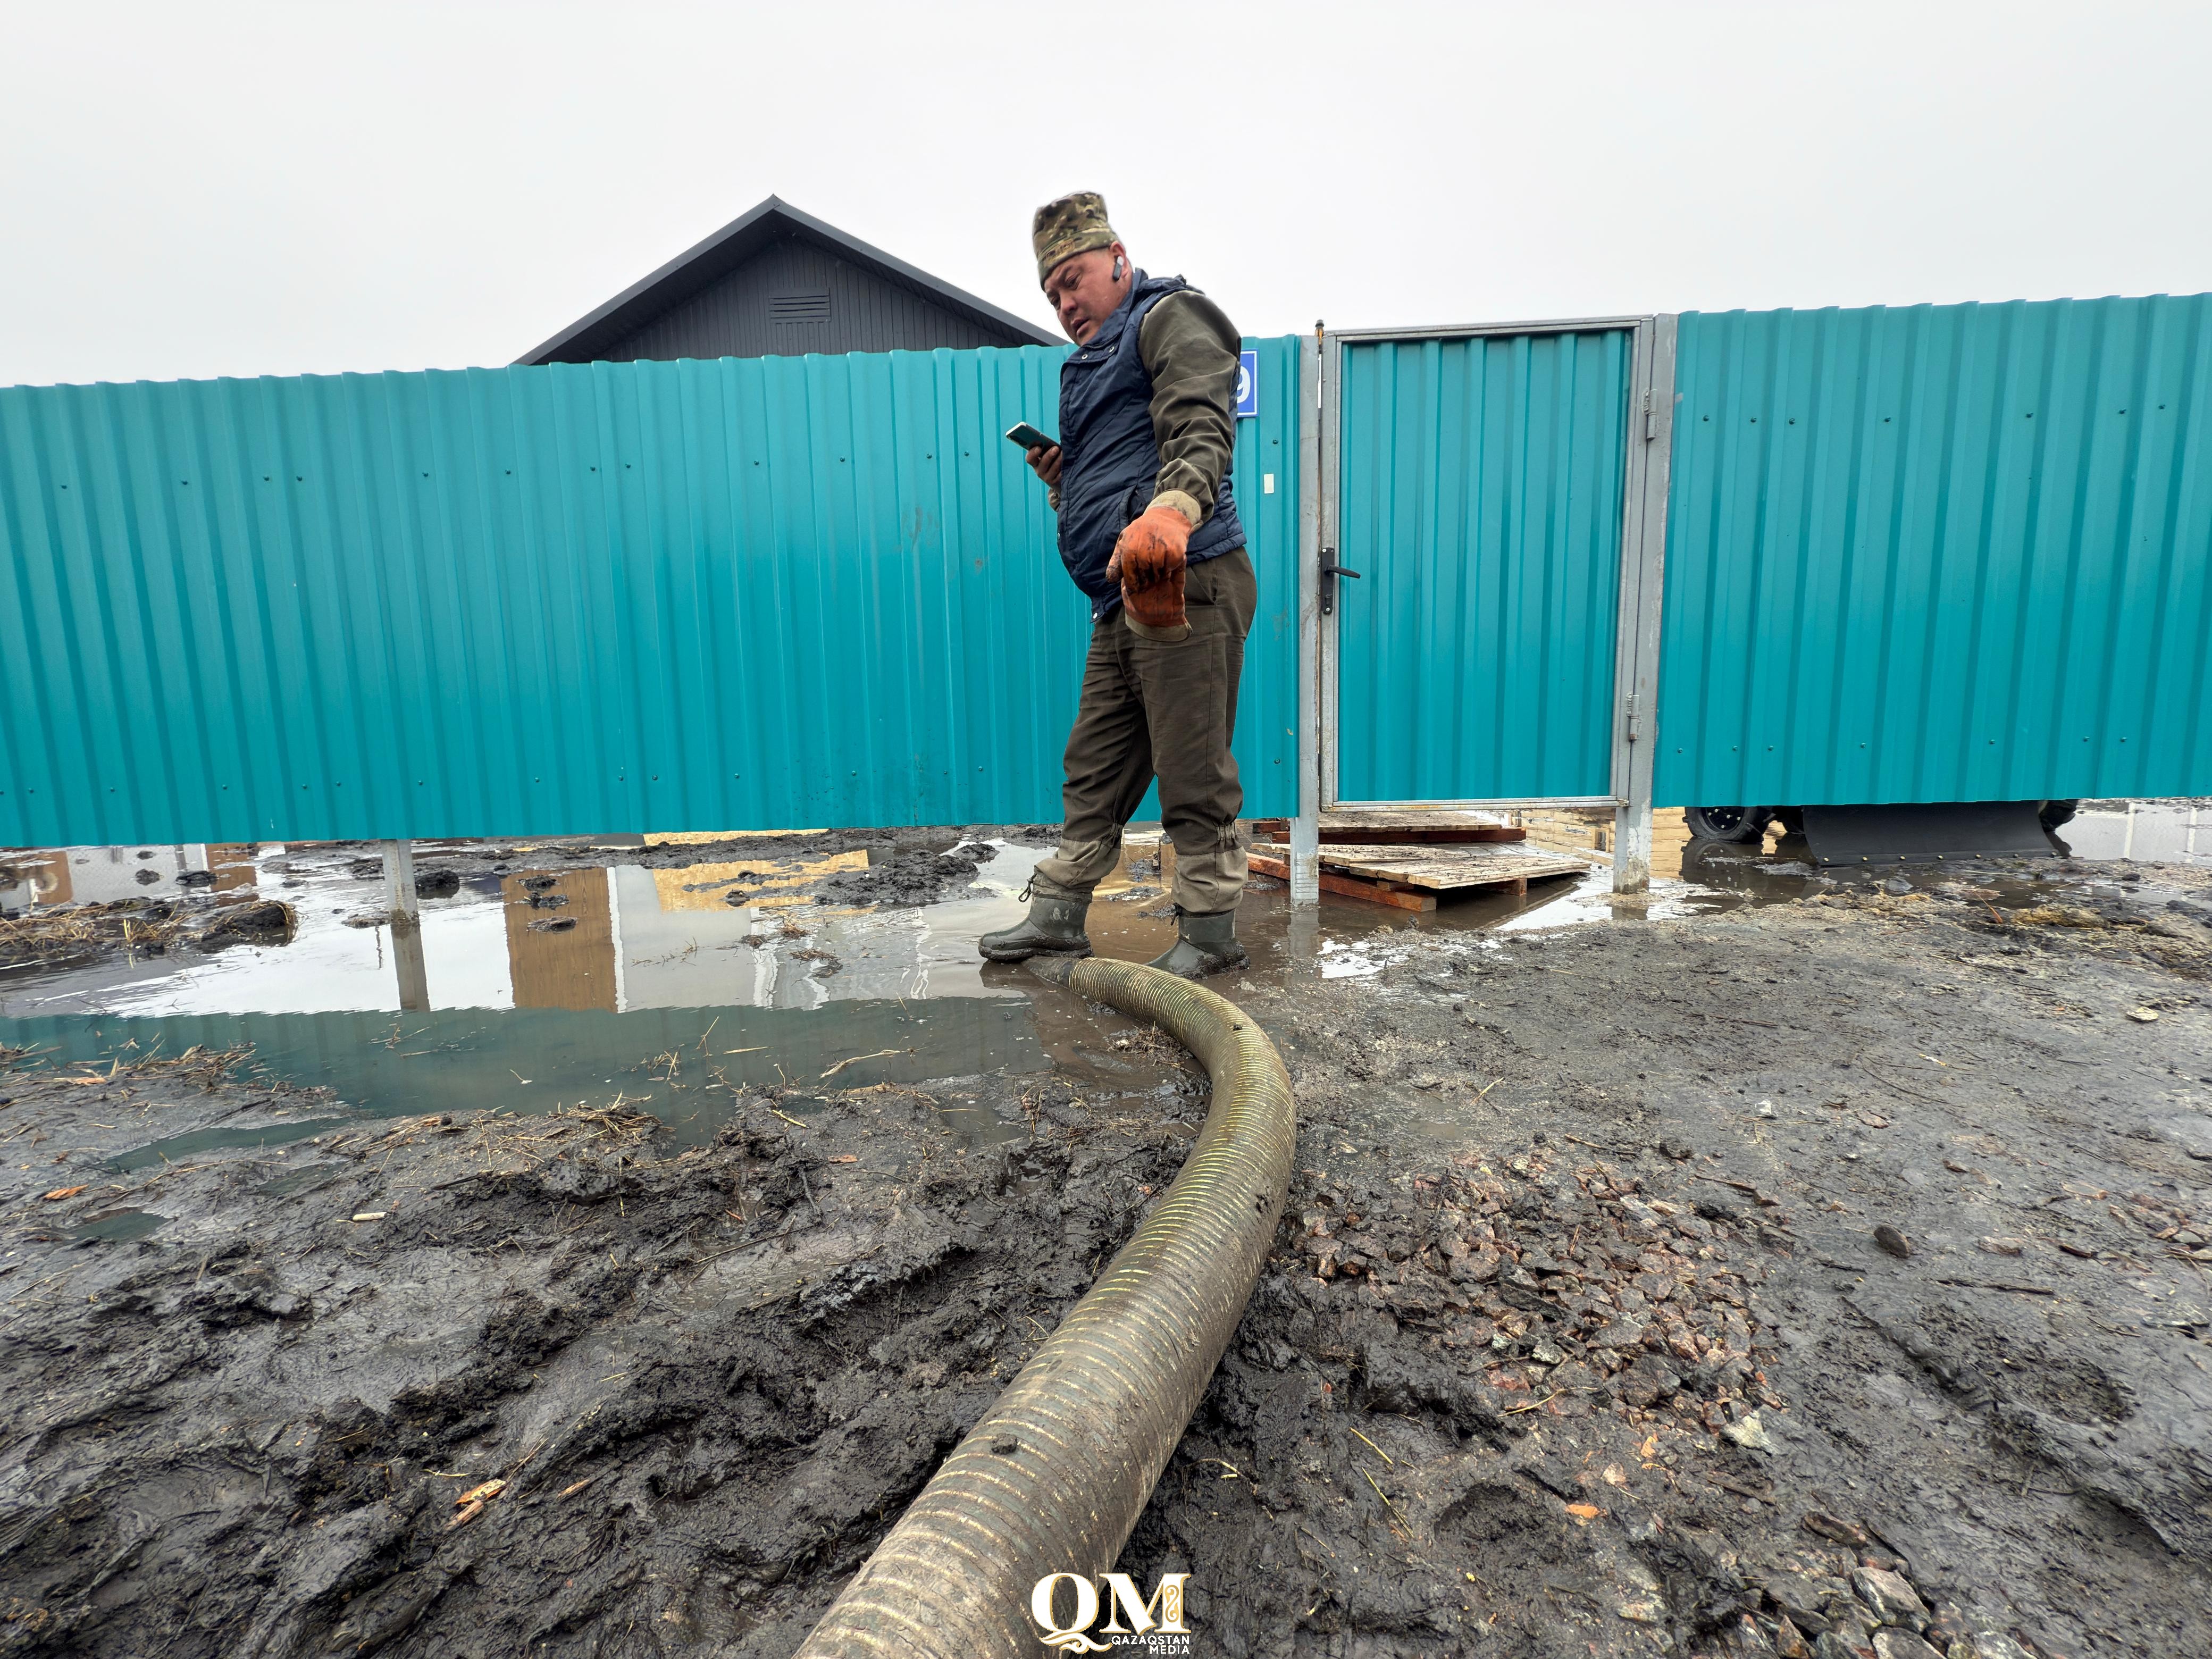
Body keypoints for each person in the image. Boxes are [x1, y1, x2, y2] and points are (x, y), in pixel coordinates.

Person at [979, 191, 1255, 979]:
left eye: (1076, 279)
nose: (1067, 302)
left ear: (1119, 260)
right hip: (1119, 592)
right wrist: (1069, 483)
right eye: (1053, 292)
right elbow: (1121, 469)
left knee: (1192, 764)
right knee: (1093, 763)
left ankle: (1209, 933)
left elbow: (1201, 422)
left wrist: (1174, 510)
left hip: (1186, 575)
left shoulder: (1171, 317)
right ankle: (1059, 914)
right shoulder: (1093, 362)